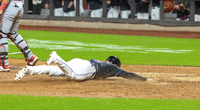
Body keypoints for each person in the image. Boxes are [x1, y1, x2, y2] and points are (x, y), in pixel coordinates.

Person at [15, 51, 152, 82]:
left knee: (53, 71)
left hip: (81, 62)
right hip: (88, 69)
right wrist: (144, 80)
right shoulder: (112, 67)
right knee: (74, 76)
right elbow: (127, 75)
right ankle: (57, 58)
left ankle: (30, 70)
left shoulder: (103, 62)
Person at [0, 0, 38, 72]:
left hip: (10, 4)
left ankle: (3, 64)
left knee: (1, 34)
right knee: (12, 33)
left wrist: (1, 8)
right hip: (18, 4)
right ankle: (31, 57)